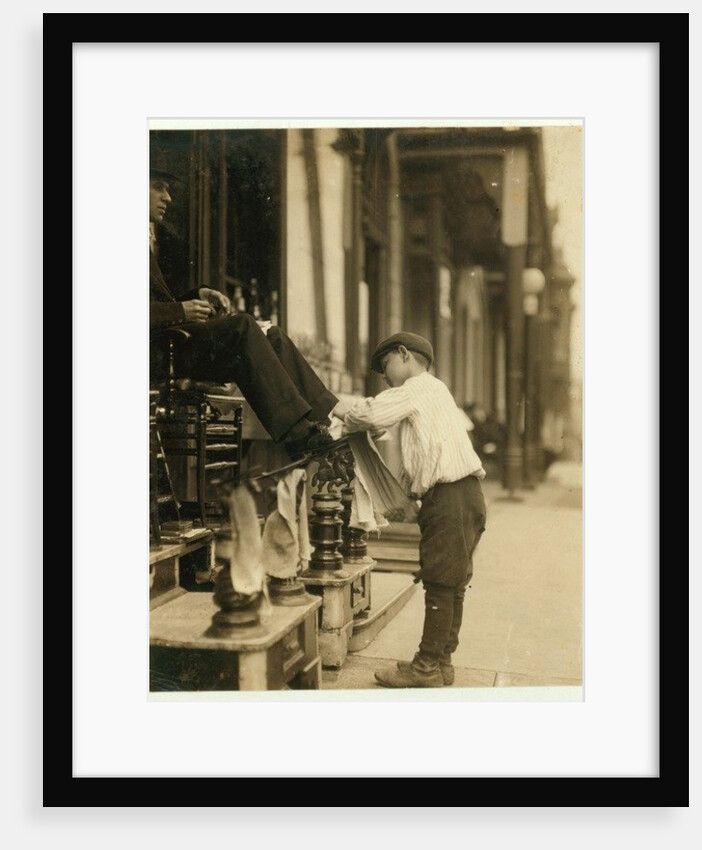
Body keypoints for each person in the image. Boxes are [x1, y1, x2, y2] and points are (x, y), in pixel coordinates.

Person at [149, 154, 340, 456]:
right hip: (157, 354)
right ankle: (299, 434)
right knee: (243, 326)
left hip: (171, 344)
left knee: (271, 334)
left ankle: (324, 421)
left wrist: (197, 294)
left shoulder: (153, 237)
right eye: (158, 187)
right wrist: (180, 311)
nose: (168, 197)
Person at [334, 332, 487, 688]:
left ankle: (426, 667)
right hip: (464, 496)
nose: (384, 377)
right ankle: (441, 661)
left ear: (404, 355)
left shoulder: (419, 388)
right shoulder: (434, 393)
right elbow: (414, 451)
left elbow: (372, 413)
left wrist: (338, 408)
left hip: (451, 496)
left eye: (385, 366)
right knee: (452, 582)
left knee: (439, 582)